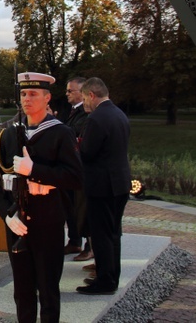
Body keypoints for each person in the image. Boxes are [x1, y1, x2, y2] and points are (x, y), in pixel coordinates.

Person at [0, 72, 82, 323]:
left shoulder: (61, 133)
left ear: (47, 98)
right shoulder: (8, 135)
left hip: (48, 218)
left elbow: (75, 178)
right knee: (22, 289)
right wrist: (6, 214)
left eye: (34, 94)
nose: (27, 99)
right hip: (17, 220)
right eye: (24, 94)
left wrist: (34, 171)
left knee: (48, 288)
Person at [76, 77, 131, 296]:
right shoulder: (119, 114)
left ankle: (105, 281)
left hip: (102, 185)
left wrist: (77, 147)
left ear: (91, 95)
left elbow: (88, 152)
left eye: (84, 99)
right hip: (120, 183)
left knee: (101, 235)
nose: (84, 105)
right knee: (113, 233)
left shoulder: (96, 119)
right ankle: (110, 277)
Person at [61, 76, 91, 258]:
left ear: (82, 93)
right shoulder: (71, 111)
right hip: (70, 167)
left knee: (82, 208)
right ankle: (74, 241)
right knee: (70, 206)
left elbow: (75, 134)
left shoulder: (87, 113)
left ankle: (89, 245)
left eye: (70, 91)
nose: (67, 94)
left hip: (81, 168)